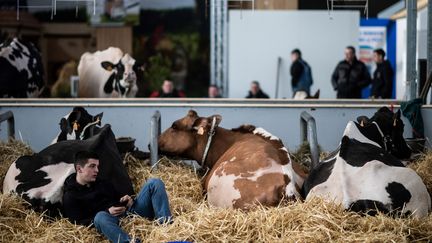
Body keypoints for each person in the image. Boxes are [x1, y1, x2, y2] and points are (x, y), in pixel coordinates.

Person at [63, 151, 172, 243]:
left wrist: (127, 201)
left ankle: (167, 228)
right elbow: (77, 222)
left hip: (130, 215)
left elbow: (117, 199)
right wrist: (107, 211)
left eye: (97, 166)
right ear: (79, 169)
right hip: (108, 223)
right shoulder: (70, 196)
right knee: (100, 216)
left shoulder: (102, 182)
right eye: (92, 166)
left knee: (154, 182)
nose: (97, 170)